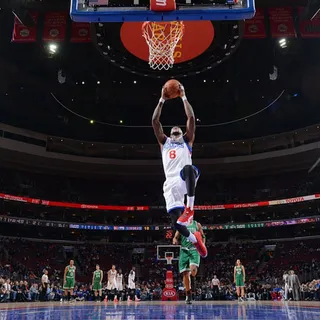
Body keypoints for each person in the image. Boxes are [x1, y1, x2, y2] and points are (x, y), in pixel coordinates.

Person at [152, 83, 207, 258]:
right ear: (170, 133)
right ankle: (194, 240)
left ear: (181, 132)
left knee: (189, 168)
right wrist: (162, 99)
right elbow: (155, 121)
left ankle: (189, 207)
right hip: (169, 183)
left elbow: (191, 117)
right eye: (173, 130)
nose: (176, 129)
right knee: (176, 223)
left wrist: (183, 96)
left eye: (178, 129)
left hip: (185, 179)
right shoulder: (164, 142)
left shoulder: (187, 140)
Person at [173, 220, 205, 304]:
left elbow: (203, 236)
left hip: (194, 250)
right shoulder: (181, 224)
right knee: (185, 274)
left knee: (193, 272)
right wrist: (175, 240)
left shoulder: (197, 224)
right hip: (184, 250)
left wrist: (202, 246)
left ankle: (190, 272)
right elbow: (175, 237)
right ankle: (188, 294)